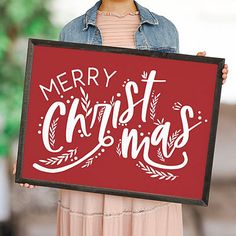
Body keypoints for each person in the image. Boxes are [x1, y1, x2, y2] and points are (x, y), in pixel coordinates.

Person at [13, 0, 228, 235]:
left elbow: (169, 106)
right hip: (88, 184)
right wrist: (31, 157)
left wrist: (203, 79)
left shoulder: (165, 29)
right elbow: (59, 98)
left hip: (146, 185)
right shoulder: (72, 31)